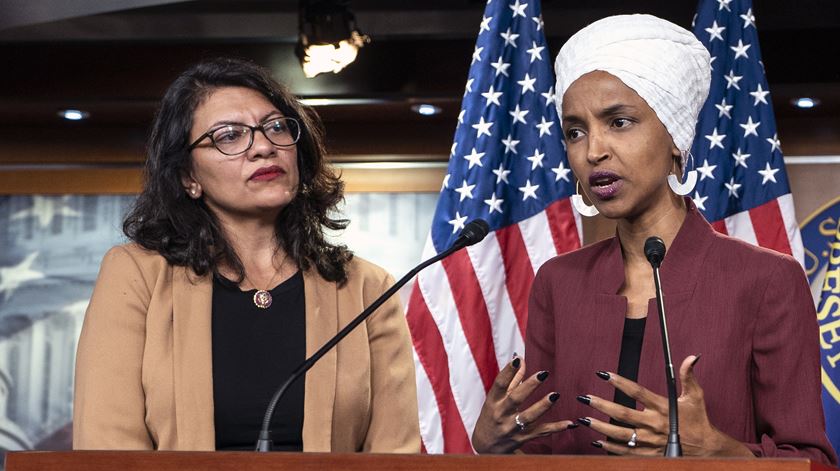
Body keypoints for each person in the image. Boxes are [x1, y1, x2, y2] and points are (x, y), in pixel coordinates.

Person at [471, 14, 837, 464]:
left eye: (619, 122)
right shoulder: (558, 282)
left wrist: (720, 452)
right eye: (575, 131)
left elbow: (812, 460)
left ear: (676, 138)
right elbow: (549, 451)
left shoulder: (766, 279)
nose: (593, 151)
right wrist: (493, 448)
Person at [72, 57, 420, 452]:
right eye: (230, 136)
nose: (264, 147)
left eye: (275, 127)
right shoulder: (136, 274)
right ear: (188, 177)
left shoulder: (366, 288)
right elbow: (106, 448)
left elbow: (395, 454)